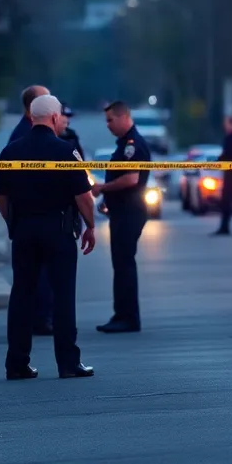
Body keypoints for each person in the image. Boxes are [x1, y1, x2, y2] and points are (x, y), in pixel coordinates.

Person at [0, 94, 97, 380]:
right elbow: (84, 197)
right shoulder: (66, 151)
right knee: (63, 296)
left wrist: (12, 222)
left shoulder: (11, 151)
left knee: (21, 296)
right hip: (58, 229)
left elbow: (0, 195)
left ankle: (16, 363)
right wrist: (90, 225)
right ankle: (67, 363)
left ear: (30, 117)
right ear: (54, 118)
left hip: (24, 230)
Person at [91, 101, 151, 334]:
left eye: (110, 120)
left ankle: (128, 317)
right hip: (122, 210)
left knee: (124, 262)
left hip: (130, 211)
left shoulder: (133, 145)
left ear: (124, 116)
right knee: (121, 262)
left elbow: (131, 179)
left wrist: (103, 188)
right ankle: (122, 314)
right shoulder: (125, 143)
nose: (108, 125)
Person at [8, 84, 54, 336]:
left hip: (28, 218)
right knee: (38, 275)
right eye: (47, 99)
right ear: (33, 107)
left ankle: (40, 317)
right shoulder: (22, 137)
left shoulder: (28, 134)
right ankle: (39, 319)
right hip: (34, 217)